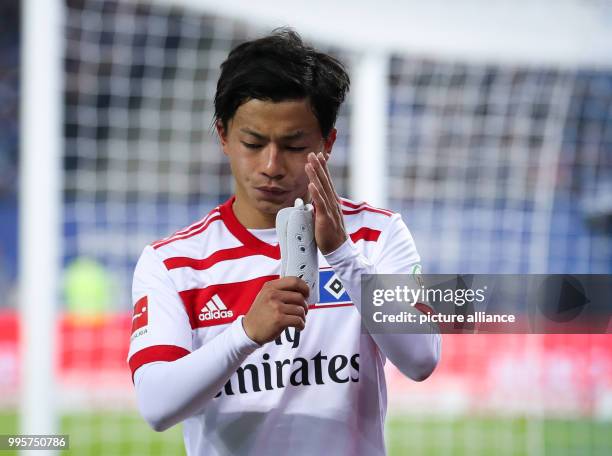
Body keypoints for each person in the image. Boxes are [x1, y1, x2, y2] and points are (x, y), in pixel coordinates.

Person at [128, 28, 441, 456]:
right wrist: (245, 334)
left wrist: (342, 255)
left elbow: (422, 359)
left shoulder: (378, 234)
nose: (271, 166)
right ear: (222, 135)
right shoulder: (173, 262)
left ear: (327, 144)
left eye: (294, 146)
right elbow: (156, 405)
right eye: (253, 144)